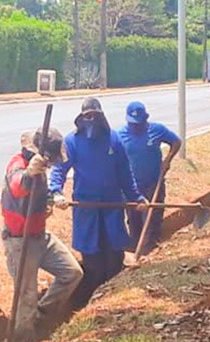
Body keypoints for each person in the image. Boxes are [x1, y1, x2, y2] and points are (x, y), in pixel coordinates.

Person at [49, 97, 148, 310]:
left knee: (114, 256)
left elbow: (125, 173)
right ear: (81, 118)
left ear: (102, 116)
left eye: (95, 115)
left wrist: (136, 197)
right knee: (91, 258)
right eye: (87, 116)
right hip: (86, 209)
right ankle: (89, 302)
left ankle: (112, 300)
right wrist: (56, 192)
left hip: (112, 207)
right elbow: (59, 169)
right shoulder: (72, 142)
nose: (91, 120)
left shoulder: (114, 140)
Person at [2, 127, 83, 342]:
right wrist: (29, 173)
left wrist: (53, 198)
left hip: (40, 236)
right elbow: (18, 186)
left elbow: (39, 194)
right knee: (26, 296)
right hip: (20, 241)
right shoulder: (18, 164)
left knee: (72, 273)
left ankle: (41, 317)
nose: (49, 165)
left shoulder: (40, 170)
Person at [117, 101, 182, 254]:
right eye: (132, 124)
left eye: (138, 124)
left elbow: (176, 142)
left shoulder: (157, 130)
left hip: (153, 185)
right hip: (130, 189)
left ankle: (148, 253)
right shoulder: (120, 136)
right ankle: (135, 252)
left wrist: (167, 160)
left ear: (145, 119)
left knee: (151, 221)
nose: (135, 127)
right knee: (134, 222)